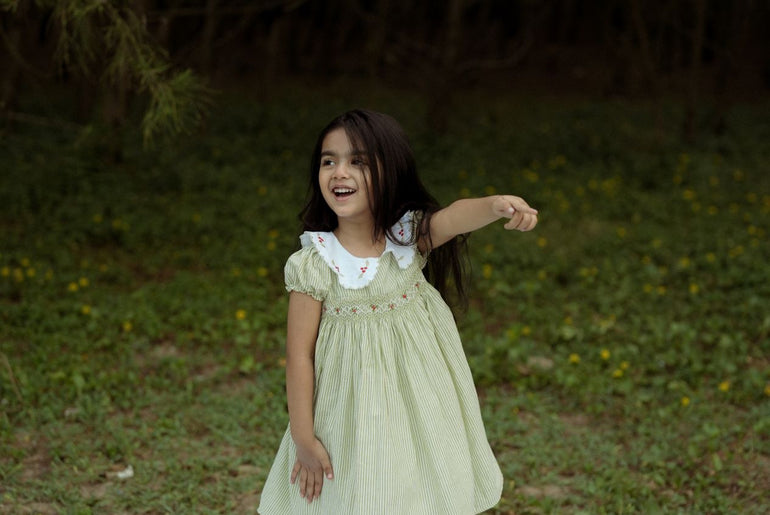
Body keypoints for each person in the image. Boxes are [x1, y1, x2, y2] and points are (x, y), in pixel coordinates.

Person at [258, 109, 538, 515]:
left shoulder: (406, 238)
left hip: (420, 399)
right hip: (351, 410)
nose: (339, 172)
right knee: (359, 488)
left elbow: (455, 216)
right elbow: (299, 354)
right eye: (328, 161)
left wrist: (496, 205)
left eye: (358, 161)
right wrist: (303, 439)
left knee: (415, 481)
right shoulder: (315, 263)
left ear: (390, 171)